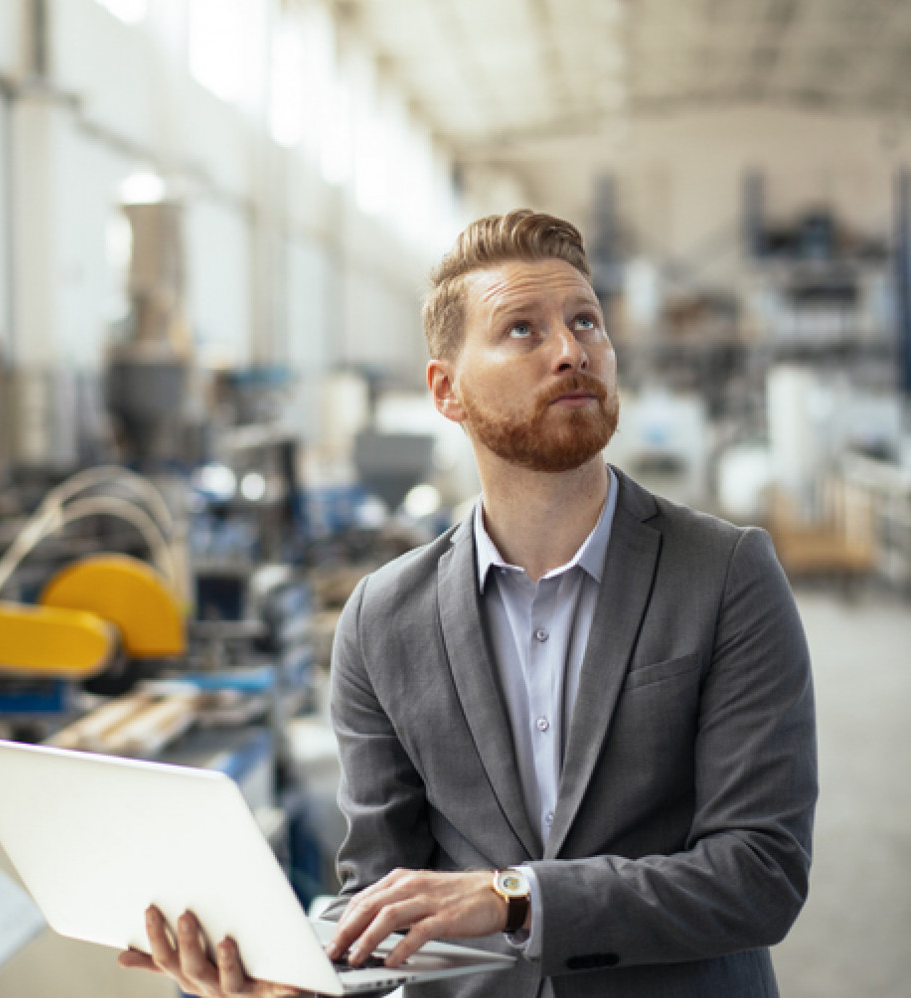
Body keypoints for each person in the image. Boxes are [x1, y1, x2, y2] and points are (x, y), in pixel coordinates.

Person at [120, 209, 818, 997]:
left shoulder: (725, 574)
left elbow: (760, 873)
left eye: (586, 320)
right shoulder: (381, 620)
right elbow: (381, 896)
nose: (570, 351)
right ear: (446, 391)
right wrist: (296, 985)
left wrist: (513, 898)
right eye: (522, 329)